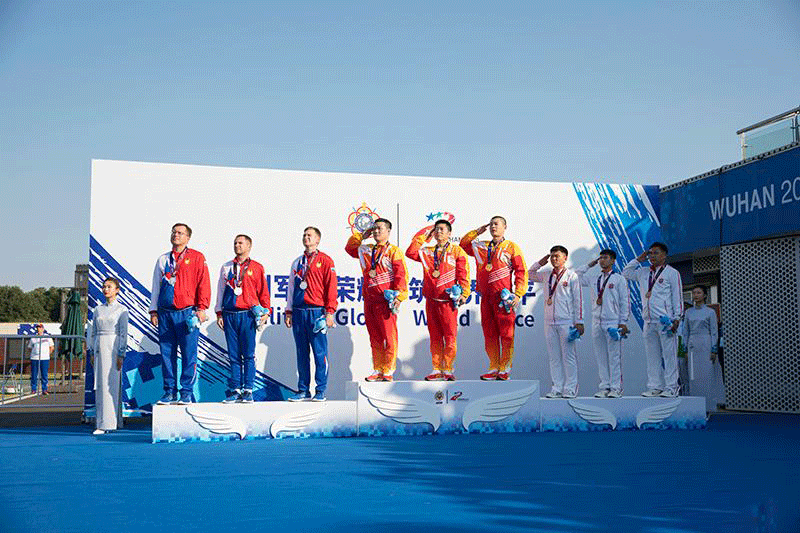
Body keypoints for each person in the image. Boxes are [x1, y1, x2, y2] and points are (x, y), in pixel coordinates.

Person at [149, 223, 211, 405]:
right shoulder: (163, 260)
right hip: (165, 314)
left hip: (187, 313)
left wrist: (201, 308)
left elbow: (203, 283)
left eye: (180, 233)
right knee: (166, 355)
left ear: (188, 238)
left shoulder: (197, 258)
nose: (176, 235)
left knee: (188, 354)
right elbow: (156, 287)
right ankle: (169, 392)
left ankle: (186, 392)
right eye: (174, 232)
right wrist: (153, 310)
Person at [460, 216, 528, 380]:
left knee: (506, 334)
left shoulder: (512, 247)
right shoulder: (482, 246)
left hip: (504, 298)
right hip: (486, 297)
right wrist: (477, 231)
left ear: (505, 227)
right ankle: (493, 367)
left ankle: (505, 368)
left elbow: (521, 271)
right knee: (489, 334)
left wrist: (518, 294)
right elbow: (463, 245)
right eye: (491, 224)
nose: (493, 227)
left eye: (496, 224)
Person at [406, 219, 471, 381]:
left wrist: (464, 293)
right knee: (435, 336)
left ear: (450, 233)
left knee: (449, 336)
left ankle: (448, 369)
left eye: (442, 229)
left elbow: (464, 275)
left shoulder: (457, 252)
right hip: (431, 300)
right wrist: (425, 236)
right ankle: (436, 369)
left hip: (448, 302)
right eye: (436, 230)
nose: (439, 232)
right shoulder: (427, 251)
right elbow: (410, 252)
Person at [345, 218, 408, 381]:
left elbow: (401, 275)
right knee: (375, 337)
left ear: (388, 231)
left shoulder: (393, 251)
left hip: (386, 301)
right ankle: (378, 369)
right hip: (369, 300)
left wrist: (399, 297)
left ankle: (388, 370)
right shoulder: (366, 250)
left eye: (379, 228)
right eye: (374, 229)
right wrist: (361, 235)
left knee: (389, 337)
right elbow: (349, 248)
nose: (376, 231)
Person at [215, 235, 271, 404]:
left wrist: (266, 311)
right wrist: (219, 312)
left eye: (240, 243)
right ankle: (235, 390)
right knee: (233, 355)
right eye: (235, 243)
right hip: (230, 314)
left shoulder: (257, 267)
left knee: (248, 354)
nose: (237, 245)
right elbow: (220, 290)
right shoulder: (226, 267)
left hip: (247, 314)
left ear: (249, 246)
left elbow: (263, 292)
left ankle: (248, 389)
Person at [622, 242, 683, 397]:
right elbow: (626, 273)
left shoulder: (671, 273)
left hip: (666, 322)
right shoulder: (643, 272)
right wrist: (638, 259)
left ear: (664, 255)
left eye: (656, 253)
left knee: (669, 356)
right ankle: (655, 386)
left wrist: (677, 318)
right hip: (648, 321)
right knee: (652, 356)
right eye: (650, 253)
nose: (652, 256)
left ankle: (672, 387)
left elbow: (677, 297)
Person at [285, 227, 338, 401]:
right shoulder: (297, 262)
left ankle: (320, 389)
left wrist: (330, 312)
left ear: (318, 240)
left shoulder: (326, 260)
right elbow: (291, 288)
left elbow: (331, 288)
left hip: (317, 312)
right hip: (299, 312)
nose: (306, 238)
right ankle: (303, 390)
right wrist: (289, 310)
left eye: (310, 235)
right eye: (304, 235)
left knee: (319, 352)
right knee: (301, 353)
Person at [529, 246, 584, 398]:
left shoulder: (572, 276)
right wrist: (539, 263)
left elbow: (578, 299)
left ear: (565, 257)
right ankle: (557, 388)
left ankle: (571, 388)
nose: (554, 259)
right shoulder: (546, 275)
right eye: (552, 256)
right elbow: (529, 274)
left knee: (569, 357)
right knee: (554, 357)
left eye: (557, 256)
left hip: (566, 322)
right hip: (549, 322)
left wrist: (579, 321)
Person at [575, 249, 630, 398]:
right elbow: (576, 277)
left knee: (614, 356)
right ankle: (605, 386)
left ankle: (616, 387)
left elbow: (625, 301)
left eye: (605, 258)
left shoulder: (619, 279)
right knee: (601, 357)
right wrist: (590, 264)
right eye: (600, 258)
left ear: (613, 260)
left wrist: (623, 322)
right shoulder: (594, 277)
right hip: (596, 321)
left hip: (612, 322)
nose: (602, 260)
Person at [89, 277, 129, 435]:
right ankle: (105, 421)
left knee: (111, 385)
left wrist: (121, 353)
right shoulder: (98, 309)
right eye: (104, 286)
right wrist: (92, 350)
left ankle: (108, 423)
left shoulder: (122, 310)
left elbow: (123, 332)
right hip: (100, 347)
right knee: (101, 385)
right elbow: (92, 332)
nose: (106, 289)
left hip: (113, 347)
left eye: (109, 287)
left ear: (117, 290)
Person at [682, 286, 724, 411]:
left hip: (706, 344)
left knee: (708, 375)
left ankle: (709, 405)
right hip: (692, 345)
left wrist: (714, 349)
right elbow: (685, 332)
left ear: (705, 295)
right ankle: (695, 406)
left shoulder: (710, 312)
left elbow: (714, 332)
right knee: (693, 376)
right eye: (694, 292)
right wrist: (685, 349)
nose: (696, 295)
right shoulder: (688, 312)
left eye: (699, 292)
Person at [28, 323, 54, 395]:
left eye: (40, 327)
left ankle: (44, 389)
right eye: (37, 328)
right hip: (34, 358)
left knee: (44, 374)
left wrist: (47, 354)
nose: (38, 329)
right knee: (34, 374)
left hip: (44, 358)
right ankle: (33, 389)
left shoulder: (47, 337)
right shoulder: (33, 337)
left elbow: (52, 347)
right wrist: (34, 353)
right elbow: (29, 347)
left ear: (43, 328)